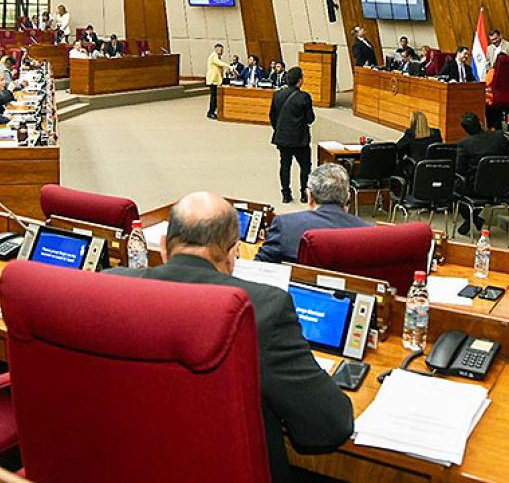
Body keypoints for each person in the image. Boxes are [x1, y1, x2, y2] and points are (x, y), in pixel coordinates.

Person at [106, 192, 354, 479]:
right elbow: (329, 425)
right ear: (232, 253)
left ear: (163, 247)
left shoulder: (112, 286)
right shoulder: (262, 308)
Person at [255, 164, 369, 263]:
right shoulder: (369, 233)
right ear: (348, 197)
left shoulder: (285, 225)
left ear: (310, 196)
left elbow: (259, 267)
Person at [455, 112, 509, 236]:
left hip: (477, 189)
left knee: (455, 187)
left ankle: (473, 219)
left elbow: (460, 170)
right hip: (504, 186)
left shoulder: (465, 143)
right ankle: (474, 219)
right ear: (481, 123)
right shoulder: (499, 137)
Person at [271, 67, 315, 204]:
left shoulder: (277, 95)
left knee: (285, 165)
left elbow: (272, 116)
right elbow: (310, 119)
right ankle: (303, 192)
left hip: (283, 137)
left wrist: (279, 129)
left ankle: (286, 194)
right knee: (305, 166)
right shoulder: (304, 97)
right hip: (300, 138)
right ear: (300, 80)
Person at [205, 43, 229, 119]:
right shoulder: (213, 56)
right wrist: (230, 66)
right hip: (213, 80)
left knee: (216, 97)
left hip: (217, 80)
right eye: (220, 50)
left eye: (222, 50)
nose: (221, 51)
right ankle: (211, 112)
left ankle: (214, 111)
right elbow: (220, 63)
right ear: (215, 49)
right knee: (214, 97)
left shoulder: (218, 57)